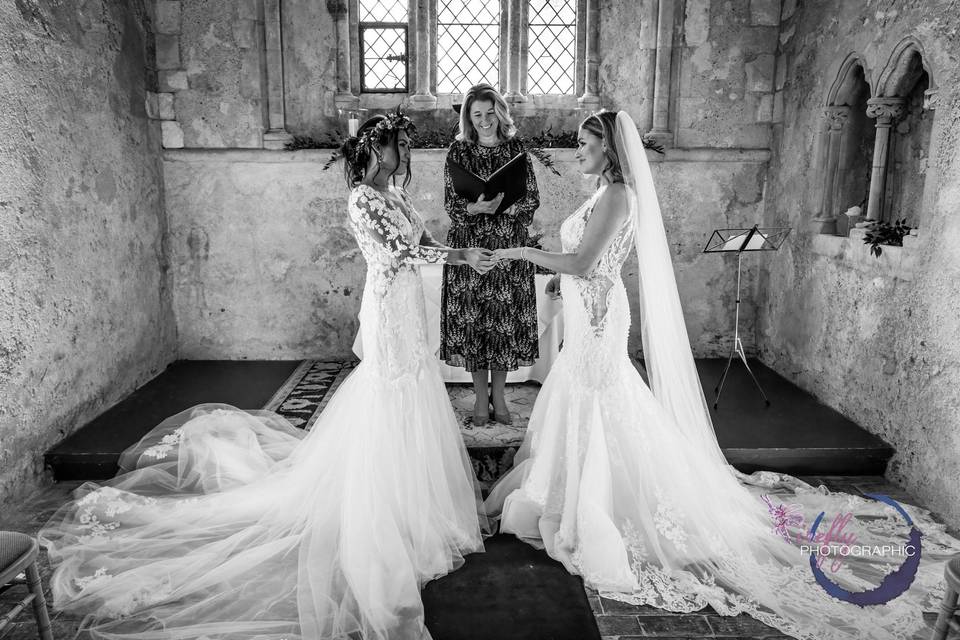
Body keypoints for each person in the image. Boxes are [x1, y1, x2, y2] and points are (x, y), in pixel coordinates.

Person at [485, 109, 960, 639]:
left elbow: (582, 262)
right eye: (578, 143)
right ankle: (565, 495)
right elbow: (585, 265)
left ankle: (599, 509)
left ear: (609, 150)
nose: (577, 150)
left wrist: (524, 252)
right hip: (588, 310)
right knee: (586, 399)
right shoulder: (603, 193)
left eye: (585, 143)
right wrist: (559, 283)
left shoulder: (618, 194)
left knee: (602, 401)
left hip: (598, 318)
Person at [38, 109, 495, 640]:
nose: (403, 154)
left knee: (415, 390)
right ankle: (382, 512)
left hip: (409, 306)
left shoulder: (396, 196)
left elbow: (419, 242)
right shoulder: (363, 199)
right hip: (390, 308)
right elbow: (401, 252)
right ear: (376, 149)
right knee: (390, 393)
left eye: (403, 147)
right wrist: (462, 255)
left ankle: (417, 507)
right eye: (397, 145)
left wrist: (458, 246)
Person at [440, 83, 540, 426]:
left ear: (500, 113)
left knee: (502, 322)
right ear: (469, 118)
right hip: (470, 244)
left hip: (506, 244)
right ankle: (480, 395)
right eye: (477, 114)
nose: (484, 121)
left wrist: (504, 207)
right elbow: (451, 205)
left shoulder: (517, 149)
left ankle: (499, 393)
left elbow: (531, 200)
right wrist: (474, 205)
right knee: (474, 321)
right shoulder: (459, 152)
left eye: (489, 113)